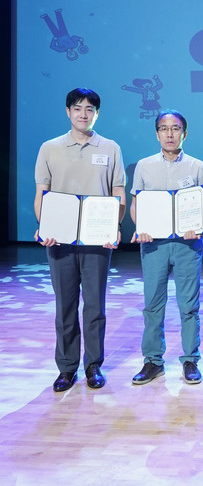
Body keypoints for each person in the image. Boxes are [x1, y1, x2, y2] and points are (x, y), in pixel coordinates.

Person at [34, 88, 126, 392]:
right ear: (68, 112)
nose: (83, 114)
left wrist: (114, 226)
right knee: (65, 306)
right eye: (77, 108)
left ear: (97, 114)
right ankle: (66, 368)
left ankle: (93, 366)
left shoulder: (110, 148)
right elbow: (42, 193)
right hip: (59, 240)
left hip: (97, 241)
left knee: (95, 305)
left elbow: (118, 192)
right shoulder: (50, 148)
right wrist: (43, 226)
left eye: (89, 109)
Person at [129, 109, 203, 385]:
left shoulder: (197, 166)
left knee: (188, 305)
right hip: (154, 245)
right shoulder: (144, 166)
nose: (169, 134)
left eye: (175, 128)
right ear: (157, 134)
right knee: (153, 304)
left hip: (187, 244)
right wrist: (141, 226)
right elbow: (136, 204)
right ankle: (153, 361)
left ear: (184, 134)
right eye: (164, 129)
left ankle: (190, 359)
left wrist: (199, 222)